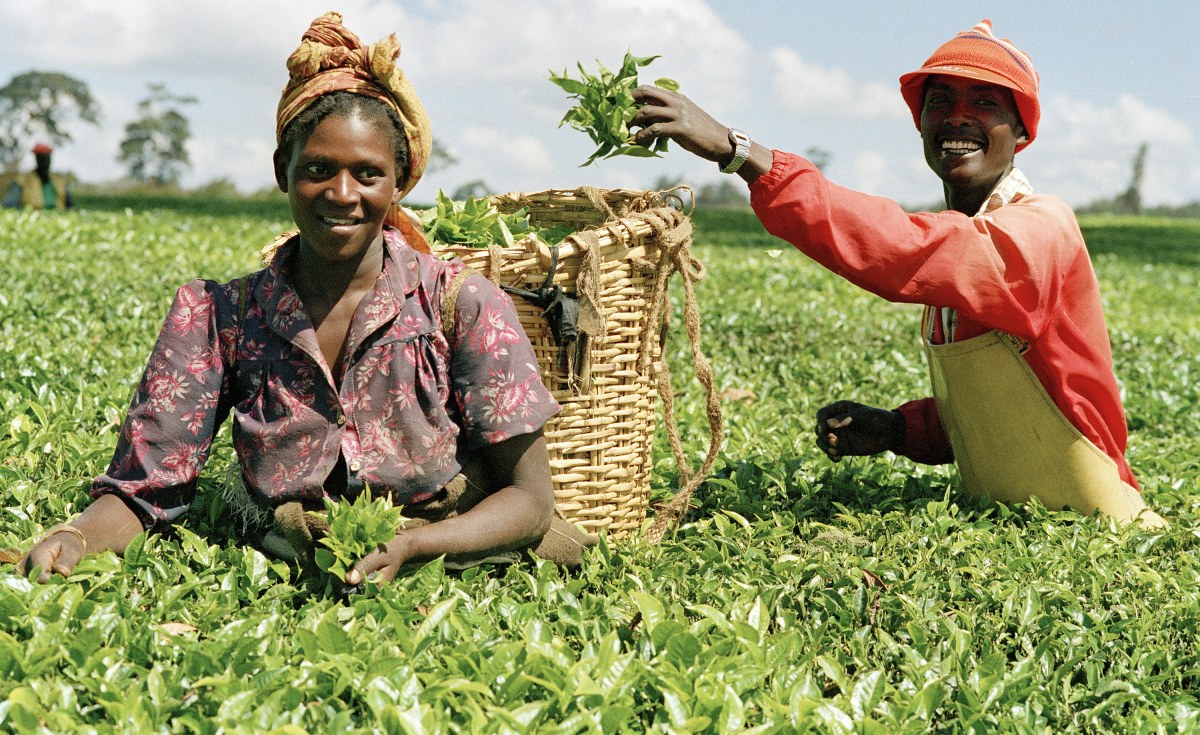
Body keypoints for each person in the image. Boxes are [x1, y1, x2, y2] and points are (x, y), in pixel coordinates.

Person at [21, 11, 594, 586]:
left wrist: (414, 546)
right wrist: (75, 538)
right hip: (293, 554)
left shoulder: (462, 302)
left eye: (368, 174)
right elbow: (145, 489)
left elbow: (529, 501)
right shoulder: (220, 316)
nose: (342, 194)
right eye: (318, 169)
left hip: (445, 543)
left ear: (400, 182)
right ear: (282, 172)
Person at [631, 19, 1165, 528]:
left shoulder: (1041, 228)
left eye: (984, 103)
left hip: (1100, 524)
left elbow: (904, 247)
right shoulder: (963, 245)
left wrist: (739, 151)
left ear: (1022, 131)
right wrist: (899, 429)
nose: (958, 117)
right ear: (922, 124)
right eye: (940, 102)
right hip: (1010, 521)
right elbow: (999, 417)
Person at [2, 142, 73, 210]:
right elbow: (9, 204)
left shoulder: (59, 181)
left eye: (47, 158)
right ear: (36, 159)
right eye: (42, 158)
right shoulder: (23, 180)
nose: (45, 162)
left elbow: (70, 207)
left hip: (58, 217)